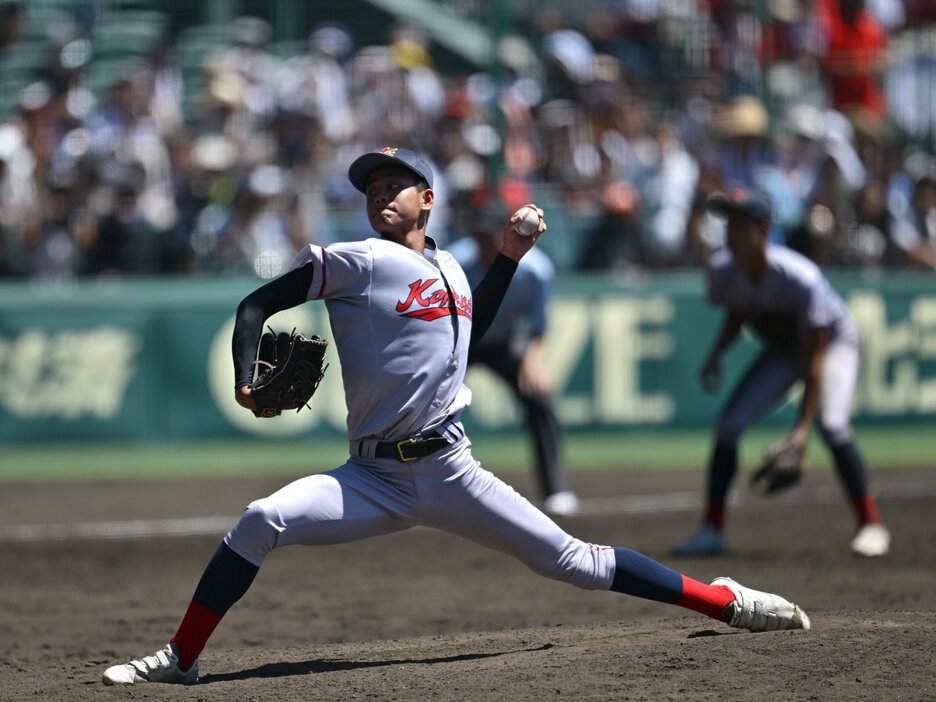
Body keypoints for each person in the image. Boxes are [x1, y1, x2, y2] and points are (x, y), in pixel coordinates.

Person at [101, 148, 810, 686]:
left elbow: (476, 331)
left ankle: (723, 602)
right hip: (370, 477)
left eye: (392, 185)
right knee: (262, 518)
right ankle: (182, 657)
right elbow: (256, 305)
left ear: (426, 199)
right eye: (370, 189)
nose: (379, 195)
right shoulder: (359, 261)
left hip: (449, 469)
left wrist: (509, 257)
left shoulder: (456, 271)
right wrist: (246, 376)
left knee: (576, 562)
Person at [672, 186, 890, 559]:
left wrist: (801, 433)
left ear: (764, 230)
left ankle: (871, 525)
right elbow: (739, 311)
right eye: (729, 224)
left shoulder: (799, 277)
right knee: (728, 427)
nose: (732, 233)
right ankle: (711, 529)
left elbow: (814, 361)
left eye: (742, 225)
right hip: (783, 350)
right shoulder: (724, 271)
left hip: (833, 345)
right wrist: (715, 355)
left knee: (833, 425)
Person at [451, 204, 578, 516]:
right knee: (427, 400)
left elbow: (539, 325)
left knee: (538, 398)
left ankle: (556, 489)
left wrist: (532, 362)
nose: (481, 243)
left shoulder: (535, 269)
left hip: (507, 341)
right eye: (476, 236)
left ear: (504, 234)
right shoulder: (456, 262)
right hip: (462, 340)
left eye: (487, 235)